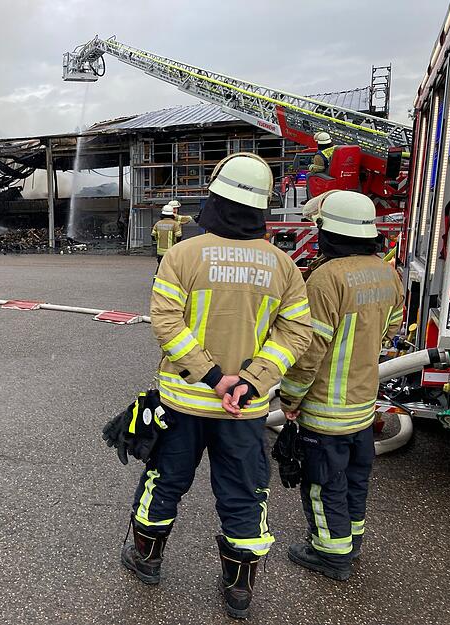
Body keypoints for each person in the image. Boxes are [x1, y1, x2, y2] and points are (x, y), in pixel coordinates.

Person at [120, 152, 312, 619]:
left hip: (183, 402)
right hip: (243, 410)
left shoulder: (183, 255)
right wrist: (250, 381)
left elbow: (166, 323)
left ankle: (147, 559)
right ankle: (238, 590)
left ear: (216, 198)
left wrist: (210, 376)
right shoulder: (282, 265)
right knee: (244, 493)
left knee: (165, 481)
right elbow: (296, 334)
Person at [280, 190, 403, 581]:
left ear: (328, 231)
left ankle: (330, 554)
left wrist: (290, 398)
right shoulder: (387, 272)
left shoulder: (326, 279)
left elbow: (309, 352)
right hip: (363, 406)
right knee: (354, 479)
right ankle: (351, 541)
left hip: (326, 411)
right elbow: (392, 326)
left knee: (323, 483)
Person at [151, 203, 181, 269]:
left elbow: (153, 235)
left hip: (160, 251)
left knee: (160, 267)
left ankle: (157, 275)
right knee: (170, 268)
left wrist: (157, 241)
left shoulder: (158, 223)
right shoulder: (175, 224)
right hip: (171, 251)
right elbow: (178, 236)